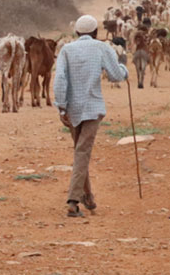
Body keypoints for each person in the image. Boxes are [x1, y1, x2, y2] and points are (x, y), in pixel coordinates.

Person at [52, 15, 129, 219]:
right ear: (96, 33)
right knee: (82, 152)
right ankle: (73, 201)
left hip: (71, 110)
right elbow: (116, 76)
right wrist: (124, 68)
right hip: (92, 108)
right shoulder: (102, 48)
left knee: (80, 152)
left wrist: (61, 108)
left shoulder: (66, 50)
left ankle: (87, 196)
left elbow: (59, 79)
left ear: (76, 33)